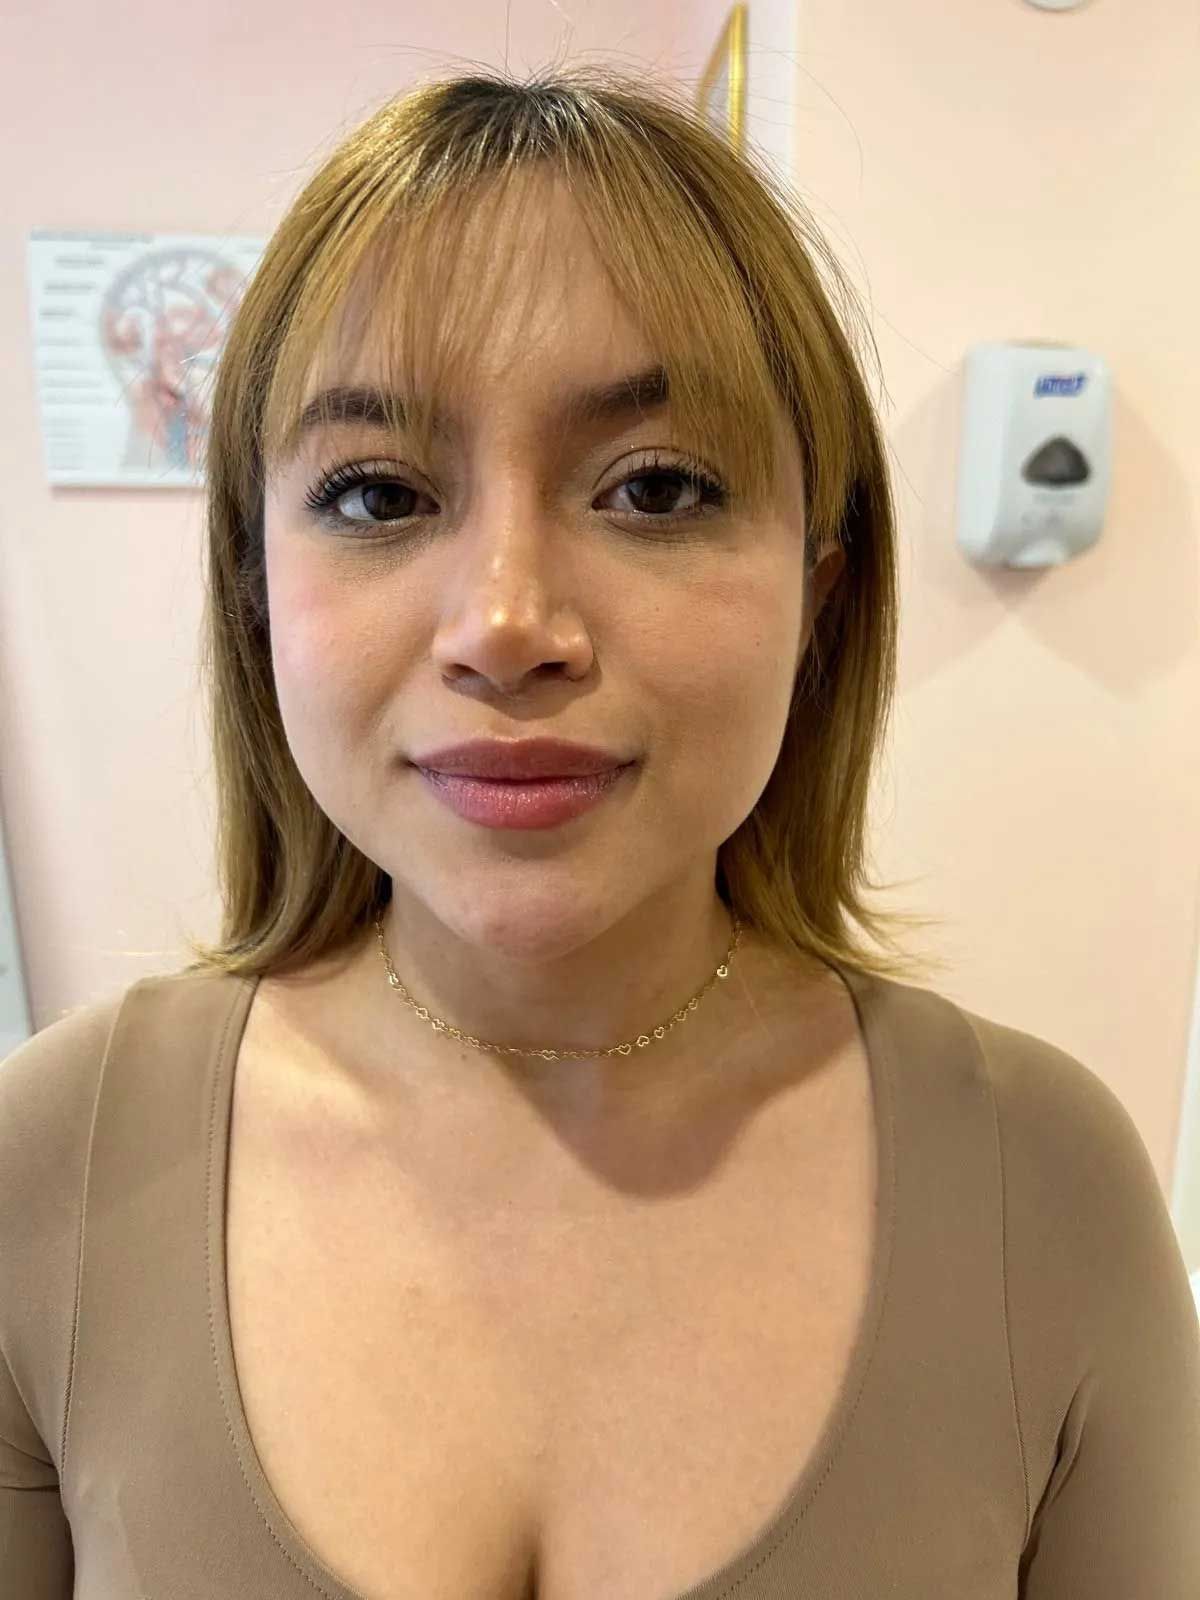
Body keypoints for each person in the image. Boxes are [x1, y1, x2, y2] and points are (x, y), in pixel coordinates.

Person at [2, 63, 1197, 1600]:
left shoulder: (1051, 1195)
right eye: (376, 496)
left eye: (657, 486)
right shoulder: (49, 1178)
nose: (507, 627)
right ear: (254, 585)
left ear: (820, 596)